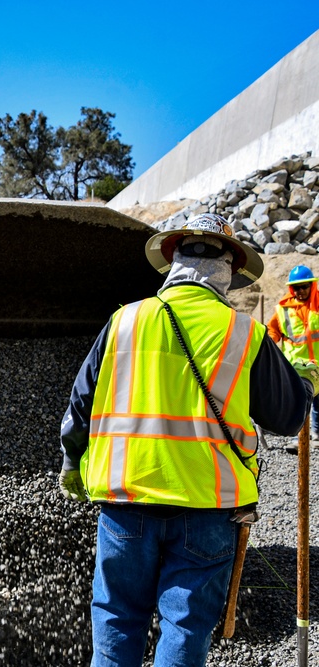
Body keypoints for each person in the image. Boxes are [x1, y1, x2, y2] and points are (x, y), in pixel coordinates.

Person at [58, 212, 317, 667]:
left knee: (118, 615)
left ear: (173, 260)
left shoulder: (125, 320)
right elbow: (289, 415)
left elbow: (80, 406)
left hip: (125, 497)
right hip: (207, 504)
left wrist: (70, 463)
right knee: (185, 624)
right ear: (230, 271)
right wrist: (306, 381)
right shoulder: (243, 332)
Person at [267, 264, 319, 438]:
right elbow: (273, 330)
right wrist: (269, 342)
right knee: (300, 404)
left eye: (304, 286)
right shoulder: (283, 310)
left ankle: (317, 434)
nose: (301, 291)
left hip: (318, 367)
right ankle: (300, 439)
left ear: (312, 286)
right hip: (297, 368)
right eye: (296, 287)